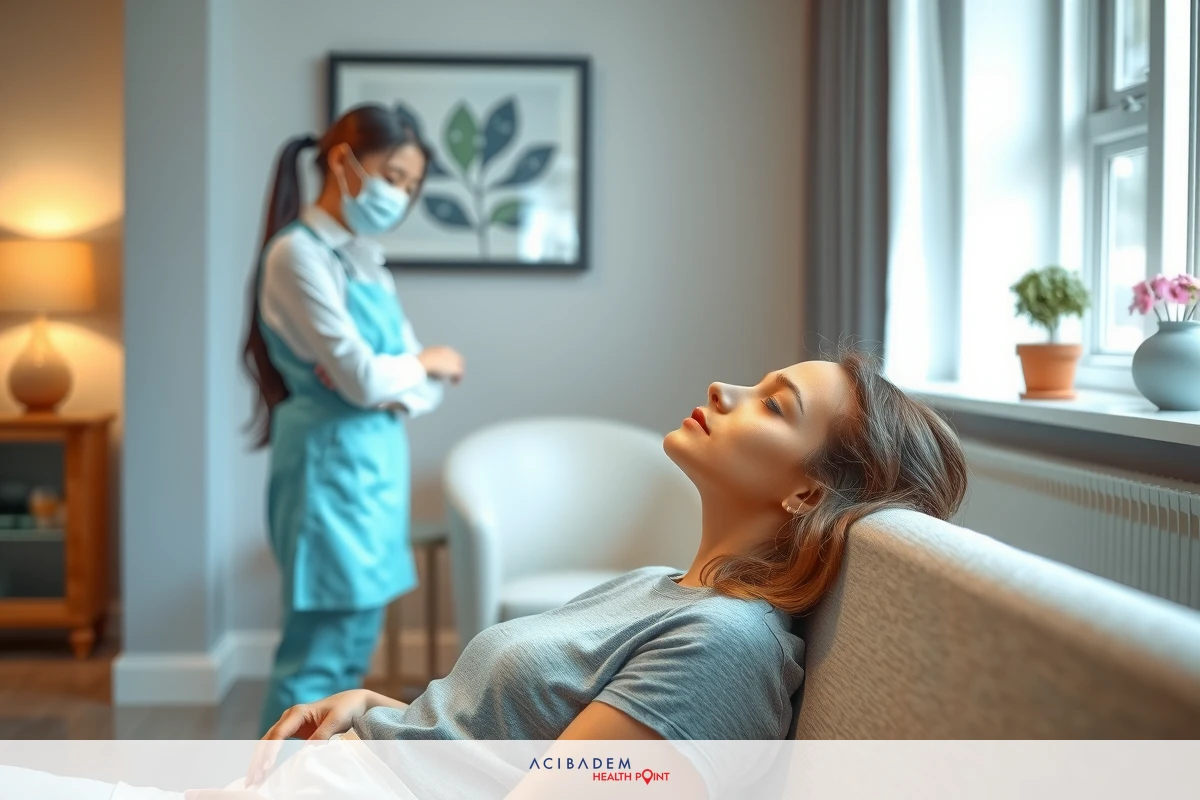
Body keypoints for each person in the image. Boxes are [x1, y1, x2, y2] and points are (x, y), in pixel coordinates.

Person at [252, 349, 967, 791]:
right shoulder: (655, 586)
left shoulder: (725, 648)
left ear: (806, 494)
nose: (724, 387)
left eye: (773, 405)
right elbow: (498, 746)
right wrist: (375, 710)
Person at [241, 104, 465, 736]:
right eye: (392, 175)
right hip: (327, 478)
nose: (400, 195)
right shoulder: (296, 257)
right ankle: (266, 785)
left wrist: (400, 374)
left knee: (345, 662)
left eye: (410, 186)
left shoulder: (362, 261)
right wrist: (415, 364)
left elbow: (418, 391)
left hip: (370, 473)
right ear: (342, 163)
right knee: (314, 664)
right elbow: (370, 378)